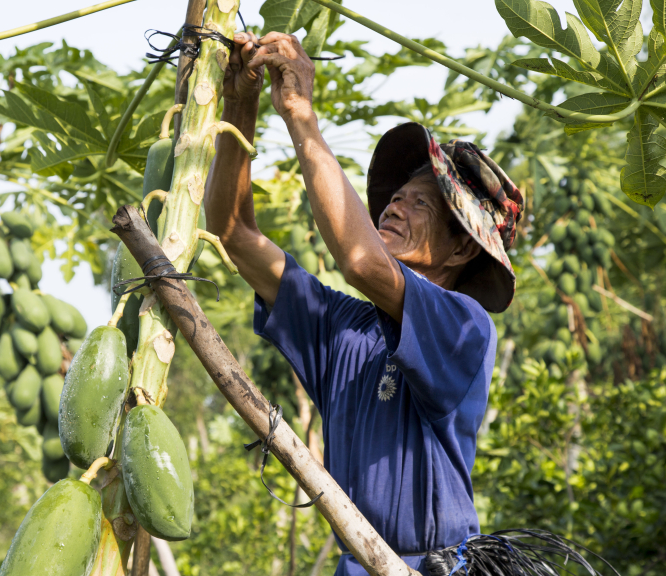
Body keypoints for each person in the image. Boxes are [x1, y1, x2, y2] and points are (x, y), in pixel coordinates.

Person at [204, 31, 526, 576]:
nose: (396, 204)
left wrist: (301, 114)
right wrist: (243, 103)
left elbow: (359, 260)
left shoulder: (464, 328)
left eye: (421, 202)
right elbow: (232, 231)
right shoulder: (344, 328)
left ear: (463, 246)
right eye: (397, 195)